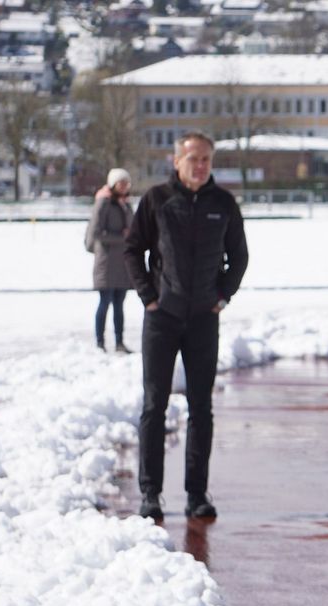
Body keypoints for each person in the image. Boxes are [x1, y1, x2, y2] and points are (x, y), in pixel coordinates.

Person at [124, 131, 249, 521]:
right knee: (154, 405)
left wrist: (222, 296)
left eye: (206, 159)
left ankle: (197, 494)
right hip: (162, 317)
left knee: (201, 407)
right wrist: (149, 295)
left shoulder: (223, 203)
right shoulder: (157, 199)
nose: (200, 165)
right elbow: (133, 249)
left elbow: (239, 257)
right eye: (193, 158)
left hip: (203, 320)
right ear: (176, 161)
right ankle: (151, 493)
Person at [88, 168, 135, 353]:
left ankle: (119, 342)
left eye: (126, 183)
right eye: (121, 183)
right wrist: (122, 237)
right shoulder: (103, 203)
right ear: (113, 184)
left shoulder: (126, 204)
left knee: (119, 304)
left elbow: (132, 227)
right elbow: (97, 233)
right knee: (105, 302)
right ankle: (100, 342)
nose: (124, 186)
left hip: (122, 262)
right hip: (107, 262)